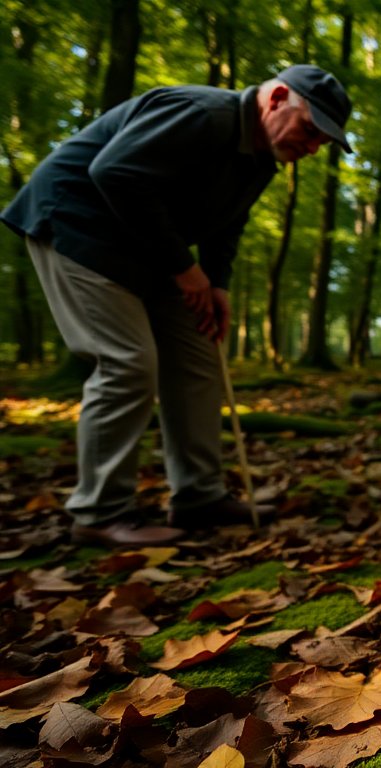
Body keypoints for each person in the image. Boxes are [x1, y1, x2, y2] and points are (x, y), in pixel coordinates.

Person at [1, 65, 352, 545]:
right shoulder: (201, 113)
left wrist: (218, 285)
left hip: (149, 247)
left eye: (322, 143)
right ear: (277, 99)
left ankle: (198, 497)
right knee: (126, 361)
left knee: (199, 354)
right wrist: (185, 269)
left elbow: (226, 224)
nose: (311, 148)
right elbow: (115, 172)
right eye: (310, 130)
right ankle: (100, 512)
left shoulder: (261, 158)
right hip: (77, 225)